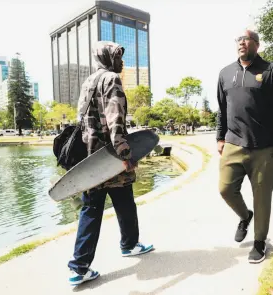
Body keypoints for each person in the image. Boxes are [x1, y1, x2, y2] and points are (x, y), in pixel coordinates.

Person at [68, 41, 154, 286]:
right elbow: (116, 121)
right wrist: (126, 155)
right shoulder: (111, 80)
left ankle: (79, 267)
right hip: (111, 158)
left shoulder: (88, 82)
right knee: (125, 201)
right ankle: (129, 245)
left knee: (93, 209)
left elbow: (83, 123)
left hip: (92, 161)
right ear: (107, 57)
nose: (121, 61)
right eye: (118, 56)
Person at [216, 29, 273, 264]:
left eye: (246, 39)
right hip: (233, 143)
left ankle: (259, 242)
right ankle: (244, 215)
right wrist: (220, 137)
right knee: (225, 189)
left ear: (257, 45)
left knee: (262, 197)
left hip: (264, 146)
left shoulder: (271, 72)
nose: (241, 42)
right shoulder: (225, 73)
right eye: (238, 39)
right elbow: (221, 108)